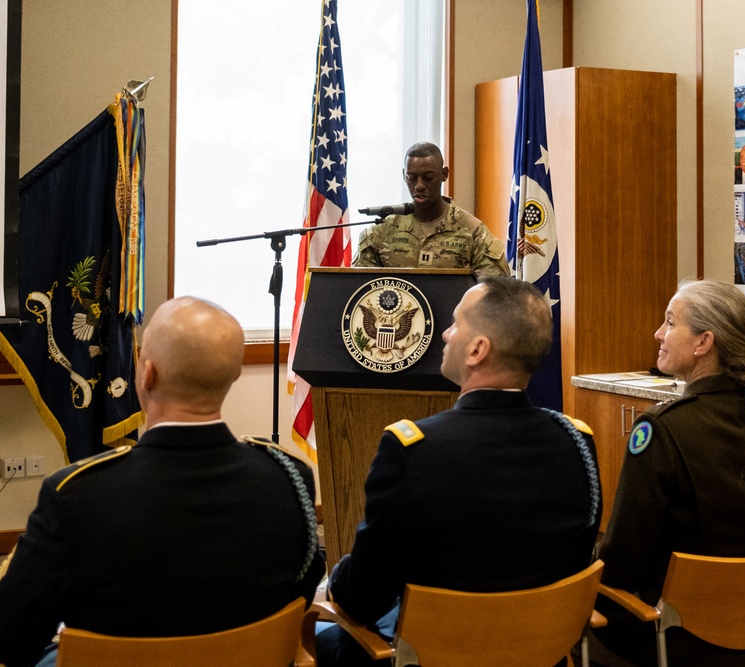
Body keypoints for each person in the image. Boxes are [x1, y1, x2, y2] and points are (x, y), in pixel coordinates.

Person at [0, 297, 325, 667]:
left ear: (147, 373)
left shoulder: (77, 495)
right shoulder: (289, 479)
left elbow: (12, 634)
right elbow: (303, 585)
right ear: (234, 377)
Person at [317, 277, 601, 666]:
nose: (446, 334)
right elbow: (574, 566)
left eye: (455, 323)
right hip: (539, 652)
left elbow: (362, 600)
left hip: (428, 656)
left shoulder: (411, 450)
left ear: (477, 350)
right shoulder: (577, 443)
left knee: (314, 632)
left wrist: (337, 577)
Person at [593, 280, 745, 666]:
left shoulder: (663, 429)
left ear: (704, 342)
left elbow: (623, 559)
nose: (658, 333)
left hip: (669, 634)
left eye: (670, 323)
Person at [353, 142, 510, 277]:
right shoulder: (382, 231)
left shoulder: (473, 232)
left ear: (444, 174)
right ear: (404, 175)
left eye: (428, 177)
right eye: (412, 178)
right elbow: (360, 290)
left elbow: (493, 296)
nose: (419, 185)